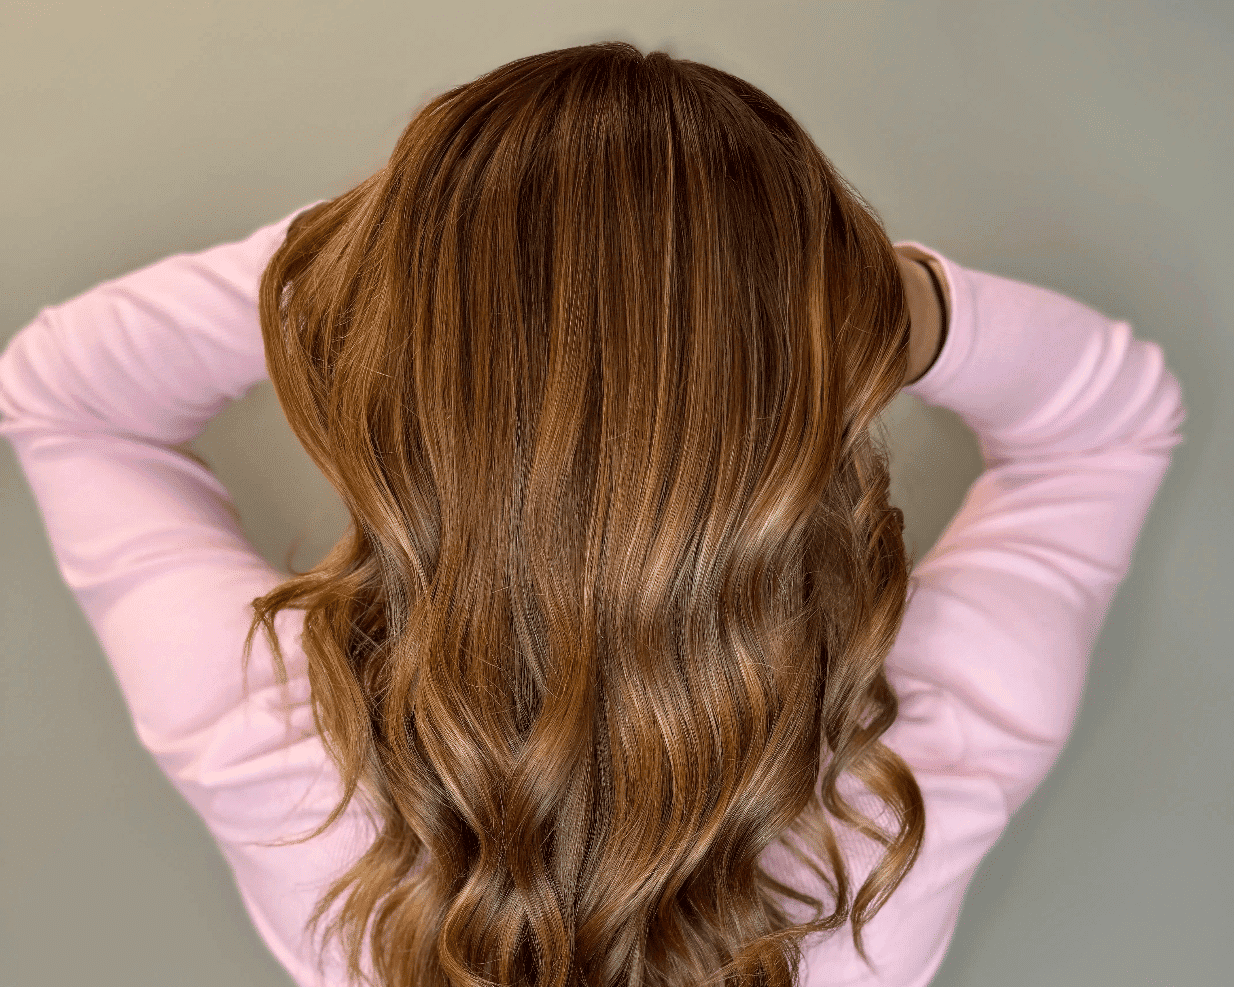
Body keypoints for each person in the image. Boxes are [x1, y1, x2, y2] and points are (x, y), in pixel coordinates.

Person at [0, 41, 1185, 987]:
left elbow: (60, 399)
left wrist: (362, 260)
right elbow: (1114, 418)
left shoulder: (270, 737)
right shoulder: (905, 780)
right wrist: (889, 305)